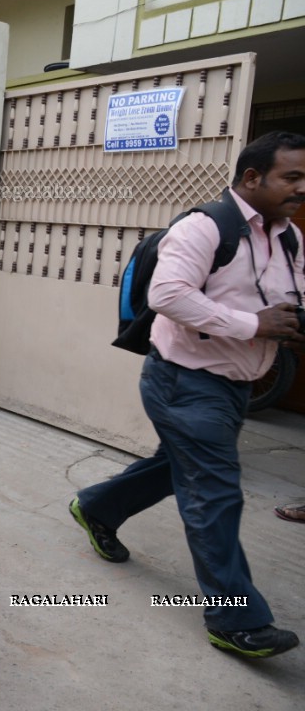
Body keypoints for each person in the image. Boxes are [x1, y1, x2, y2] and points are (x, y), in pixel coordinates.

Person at [70, 130, 305, 658]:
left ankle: (97, 507)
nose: (301, 188)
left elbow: (285, 297)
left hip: (236, 385)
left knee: (177, 468)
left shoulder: (288, 236)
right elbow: (169, 295)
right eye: (291, 177)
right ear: (252, 178)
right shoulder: (205, 227)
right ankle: (235, 619)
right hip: (184, 381)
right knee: (215, 491)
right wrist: (252, 324)